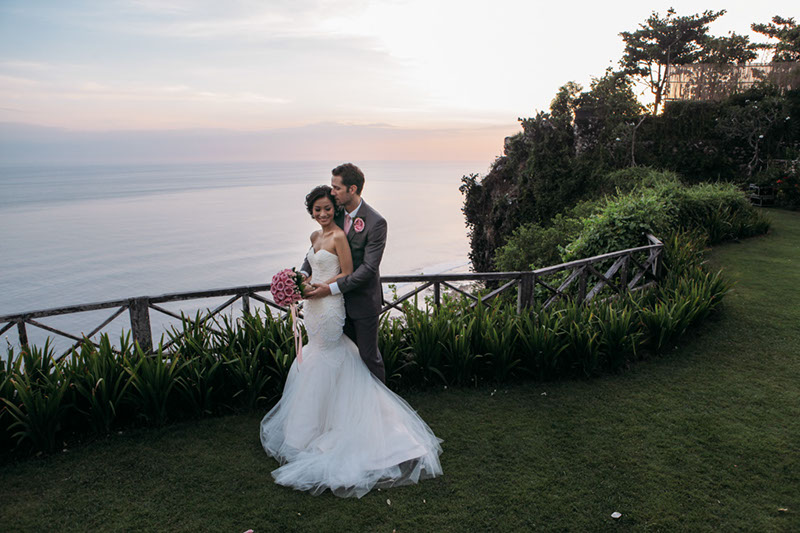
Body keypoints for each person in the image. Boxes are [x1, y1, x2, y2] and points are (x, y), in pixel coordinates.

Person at [260, 183, 442, 498]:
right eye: (317, 210)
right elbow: (309, 268)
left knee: (330, 355)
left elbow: (346, 272)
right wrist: (296, 282)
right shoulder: (314, 237)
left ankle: (358, 425)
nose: (322, 214)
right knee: (316, 355)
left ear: (335, 209)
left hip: (329, 306)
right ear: (311, 212)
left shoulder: (341, 236)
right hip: (312, 307)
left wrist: (320, 289)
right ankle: (315, 425)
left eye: (327, 208)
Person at [302, 163, 387, 383]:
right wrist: (301, 274)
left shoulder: (376, 223)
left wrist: (330, 288)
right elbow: (317, 250)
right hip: (334, 306)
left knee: (368, 356)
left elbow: (368, 269)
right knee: (343, 357)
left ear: (352, 189)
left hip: (361, 301)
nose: (332, 192)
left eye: (337, 188)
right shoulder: (334, 212)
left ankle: (379, 400)